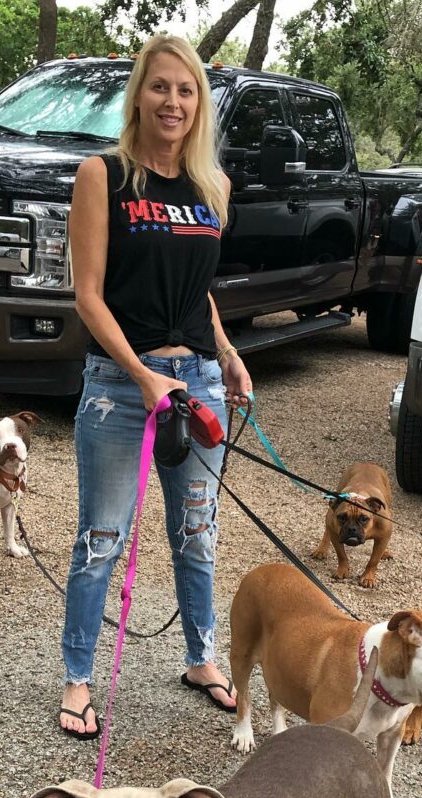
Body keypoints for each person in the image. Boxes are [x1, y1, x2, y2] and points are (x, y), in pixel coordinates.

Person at [58, 34, 253, 740]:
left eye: (187, 90)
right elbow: (87, 295)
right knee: (102, 539)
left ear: (200, 104)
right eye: (161, 86)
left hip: (198, 381)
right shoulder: (101, 176)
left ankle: (202, 658)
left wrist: (227, 354)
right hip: (120, 386)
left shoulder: (212, 188)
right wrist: (143, 375)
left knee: (198, 534)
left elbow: (194, 291)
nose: (174, 101)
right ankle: (79, 679)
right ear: (138, 93)